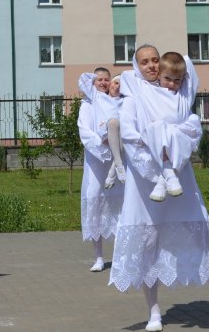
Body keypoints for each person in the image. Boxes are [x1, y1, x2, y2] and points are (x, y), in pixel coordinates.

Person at [111, 45, 209, 331]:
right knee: (148, 242)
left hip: (180, 179)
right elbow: (131, 139)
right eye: (144, 62)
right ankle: (154, 311)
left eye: (155, 60)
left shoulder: (178, 93)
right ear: (136, 65)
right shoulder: (133, 98)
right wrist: (156, 172)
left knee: (205, 234)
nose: (151, 66)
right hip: (146, 184)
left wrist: (174, 163)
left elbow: (190, 130)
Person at [77, 68, 125, 272]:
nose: (104, 83)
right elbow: (85, 131)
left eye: (107, 79)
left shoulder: (118, 101)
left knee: (119, 205)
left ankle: (120, 255)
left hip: (117, 160)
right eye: (100, 80)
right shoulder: (89, 103)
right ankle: (98, 256)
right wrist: (102, 144)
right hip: (96, 162)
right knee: (95, 200)